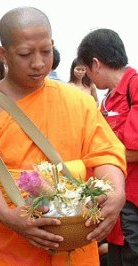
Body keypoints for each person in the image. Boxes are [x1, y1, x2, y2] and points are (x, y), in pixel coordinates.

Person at [0, 7, 126, 265]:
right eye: (25, 54)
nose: (38, 63)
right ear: (3, 54)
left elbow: (105, 153)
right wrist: (9, 216)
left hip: (77, 235)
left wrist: (116, 192)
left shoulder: (77, 100)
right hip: (11, 240)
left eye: (46, 51)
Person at [77, 28, 138, 266]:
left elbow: (133, 149)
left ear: (96, 63)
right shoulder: (109, 98)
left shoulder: (134, 88)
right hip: (115, 199)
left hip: (132, 200)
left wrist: (94, 158)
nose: (89, 78)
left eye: (87, 71)